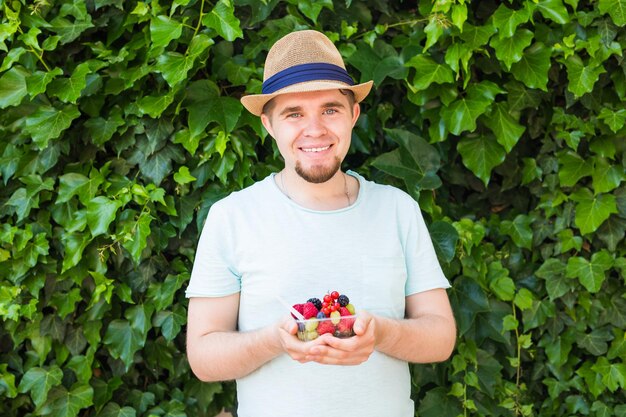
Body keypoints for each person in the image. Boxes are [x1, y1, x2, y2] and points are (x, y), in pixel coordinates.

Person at [185, 30, 456, 417]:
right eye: (294, 113)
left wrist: (380, 333)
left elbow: (440, 338)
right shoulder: (232, 217)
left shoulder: (398, 209)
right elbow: (203, 357)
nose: (315, 129)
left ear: (353, 115)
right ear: (268, 124)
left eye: (330, 109)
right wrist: (274, 341)